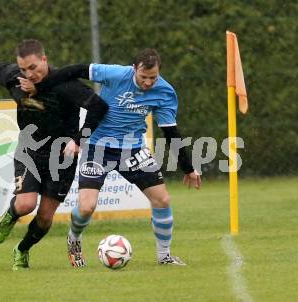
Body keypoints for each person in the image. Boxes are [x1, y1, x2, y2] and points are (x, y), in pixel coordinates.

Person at [0, 39, 108, 270]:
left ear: (44, 60)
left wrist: (78, 139)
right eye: (24, 69)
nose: (29, 73)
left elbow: (99, 106)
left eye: (34, 68)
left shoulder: (67, 85)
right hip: (31, 150)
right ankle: (10, 215)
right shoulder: (14, 77)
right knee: (26, 204)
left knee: (46, 217)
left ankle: (22, 249)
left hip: (62, 157)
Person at [29, 48, 201, 267]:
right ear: (133, 69)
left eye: (153, 78)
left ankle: (164, 256)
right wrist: (42, 86)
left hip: (133, 149)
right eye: (143, 77)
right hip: (97, 147)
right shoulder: (115, 74)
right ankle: (74, 239)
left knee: (162, 199)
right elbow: (77, 70)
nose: (148, 82)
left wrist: (188, 168)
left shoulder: (165, 92)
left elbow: (171, 132)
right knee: (86, 207)